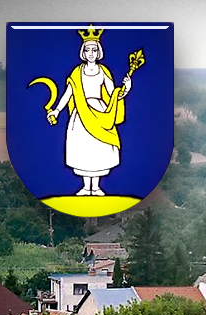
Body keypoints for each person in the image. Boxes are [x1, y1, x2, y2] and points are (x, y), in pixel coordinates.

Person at [47, 26, 131, 197]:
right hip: (80, 116)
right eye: (87, 49)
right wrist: (56, 110)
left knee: (98, 148)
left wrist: (127, 88)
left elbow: (114, 92)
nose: (91, 53)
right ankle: (86, 187)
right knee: (83, 149)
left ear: (98, 51)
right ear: (83, 52)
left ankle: (97, 187)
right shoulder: (76, 73)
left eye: (94, 49)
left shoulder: (102, 71)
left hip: (99, 113)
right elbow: (68, 93)